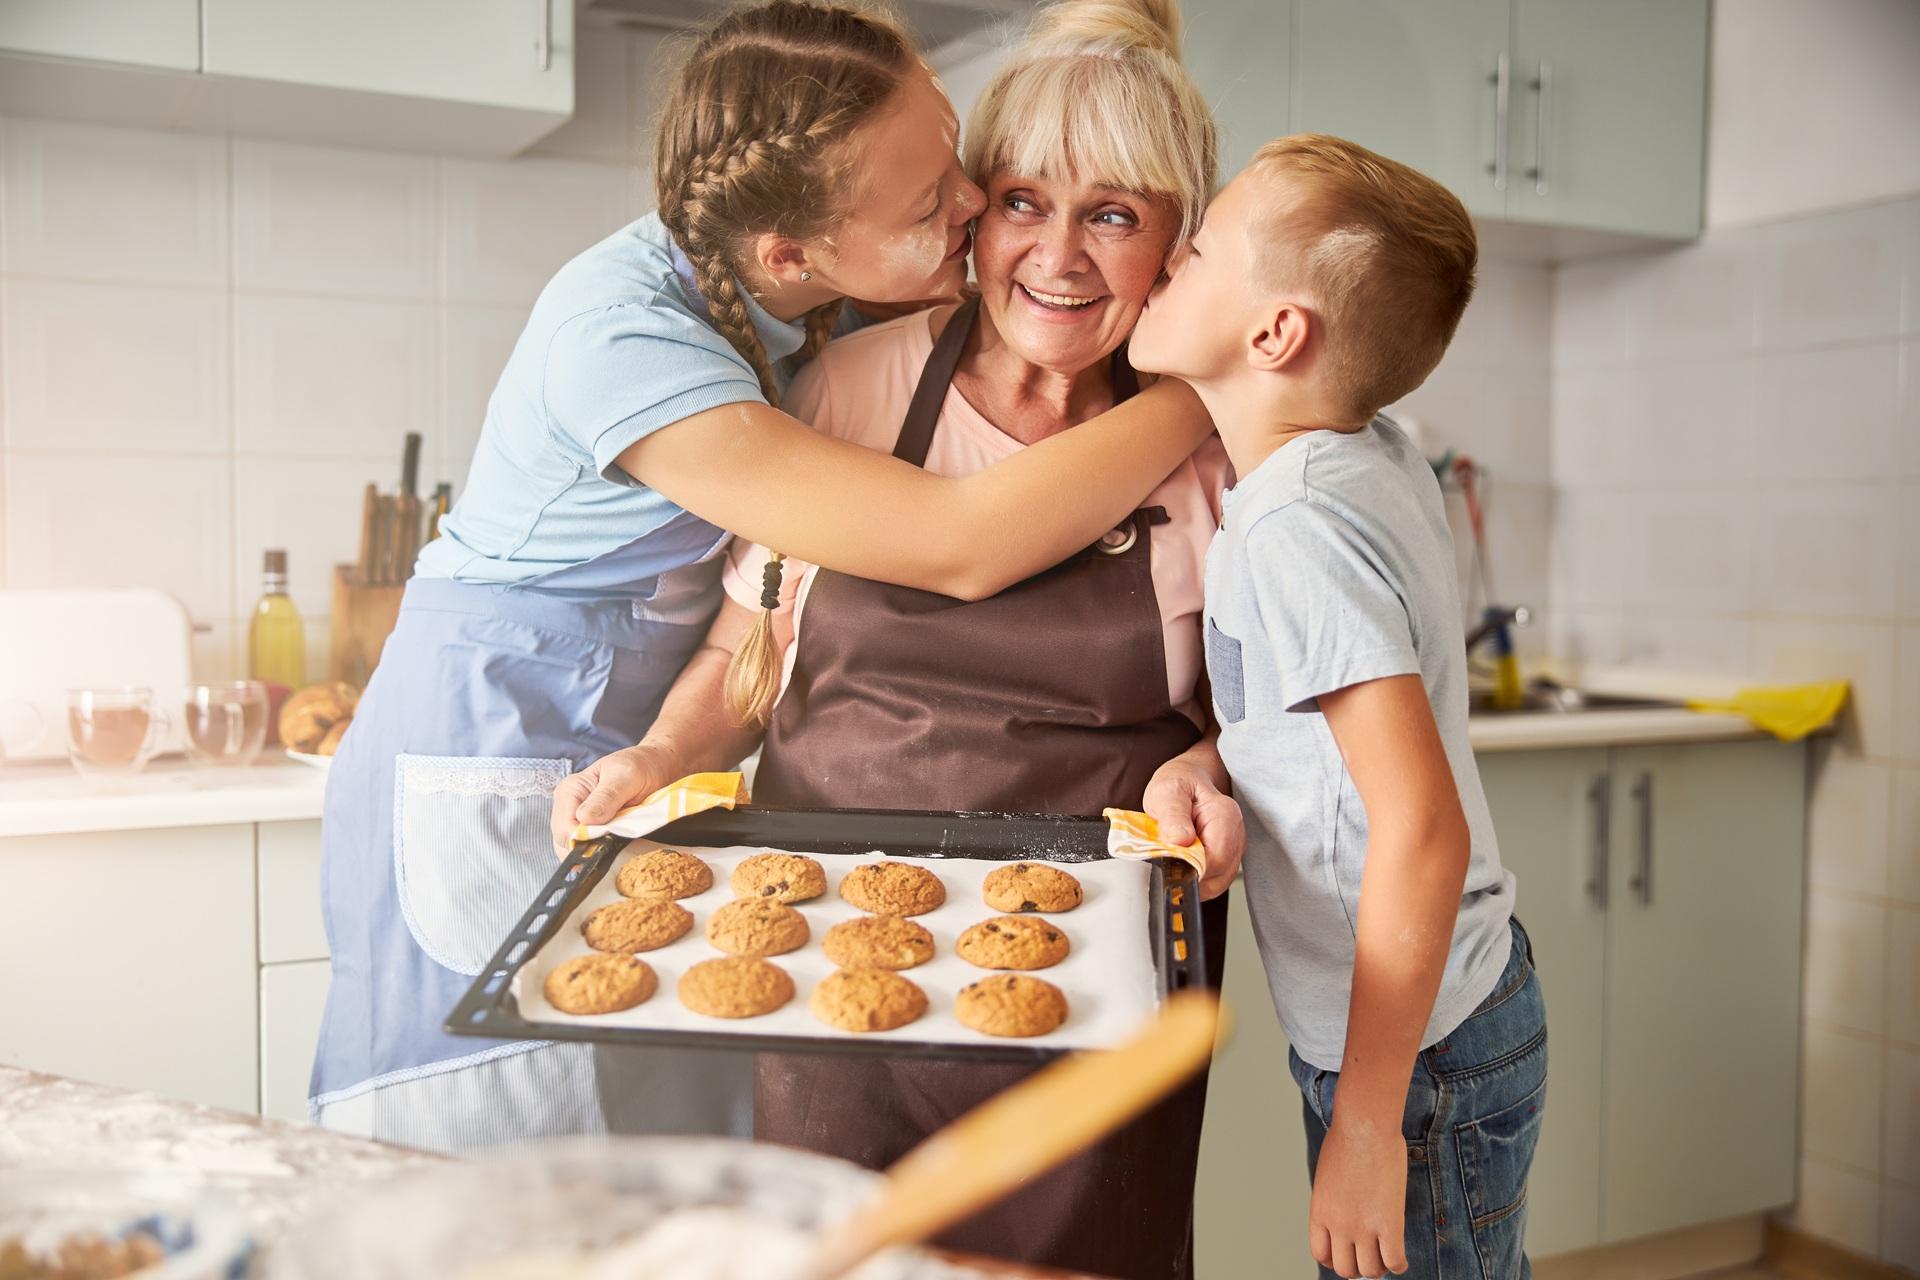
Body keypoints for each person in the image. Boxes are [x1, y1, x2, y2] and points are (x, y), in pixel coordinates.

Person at [309, 0, 1214, 1153]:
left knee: (665, 1173)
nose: (976, 212)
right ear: (795, 254)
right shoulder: (626, 335)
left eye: (960, 170)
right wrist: (1200, 390)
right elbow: (956, 540)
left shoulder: (789, 296)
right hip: (499, 734)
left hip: (630, 755)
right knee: (502, 1154)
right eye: (946, 204)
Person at [551, 3, 1238, 1275]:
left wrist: (1206, 767)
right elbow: (747, 651)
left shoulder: (1214, 450)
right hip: (826, 963)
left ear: (1175, 243)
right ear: (975, 214)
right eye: (1026, 200)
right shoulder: (852, 386)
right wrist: (656, 756)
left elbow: (1243, 716)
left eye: (1114, 214)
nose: (1060, 256)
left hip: (1094, 978)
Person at [1126, 133, 1545, 1280]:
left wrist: (1368, 1121)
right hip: (1439, 1020)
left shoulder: (1293, 523)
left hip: (1418, 1060)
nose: (1164, 258)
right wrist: (1213, 760)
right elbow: (1316, 721)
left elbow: (1420, 824)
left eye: (1197, 249)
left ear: (1275, 335)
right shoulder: (1365, 455)